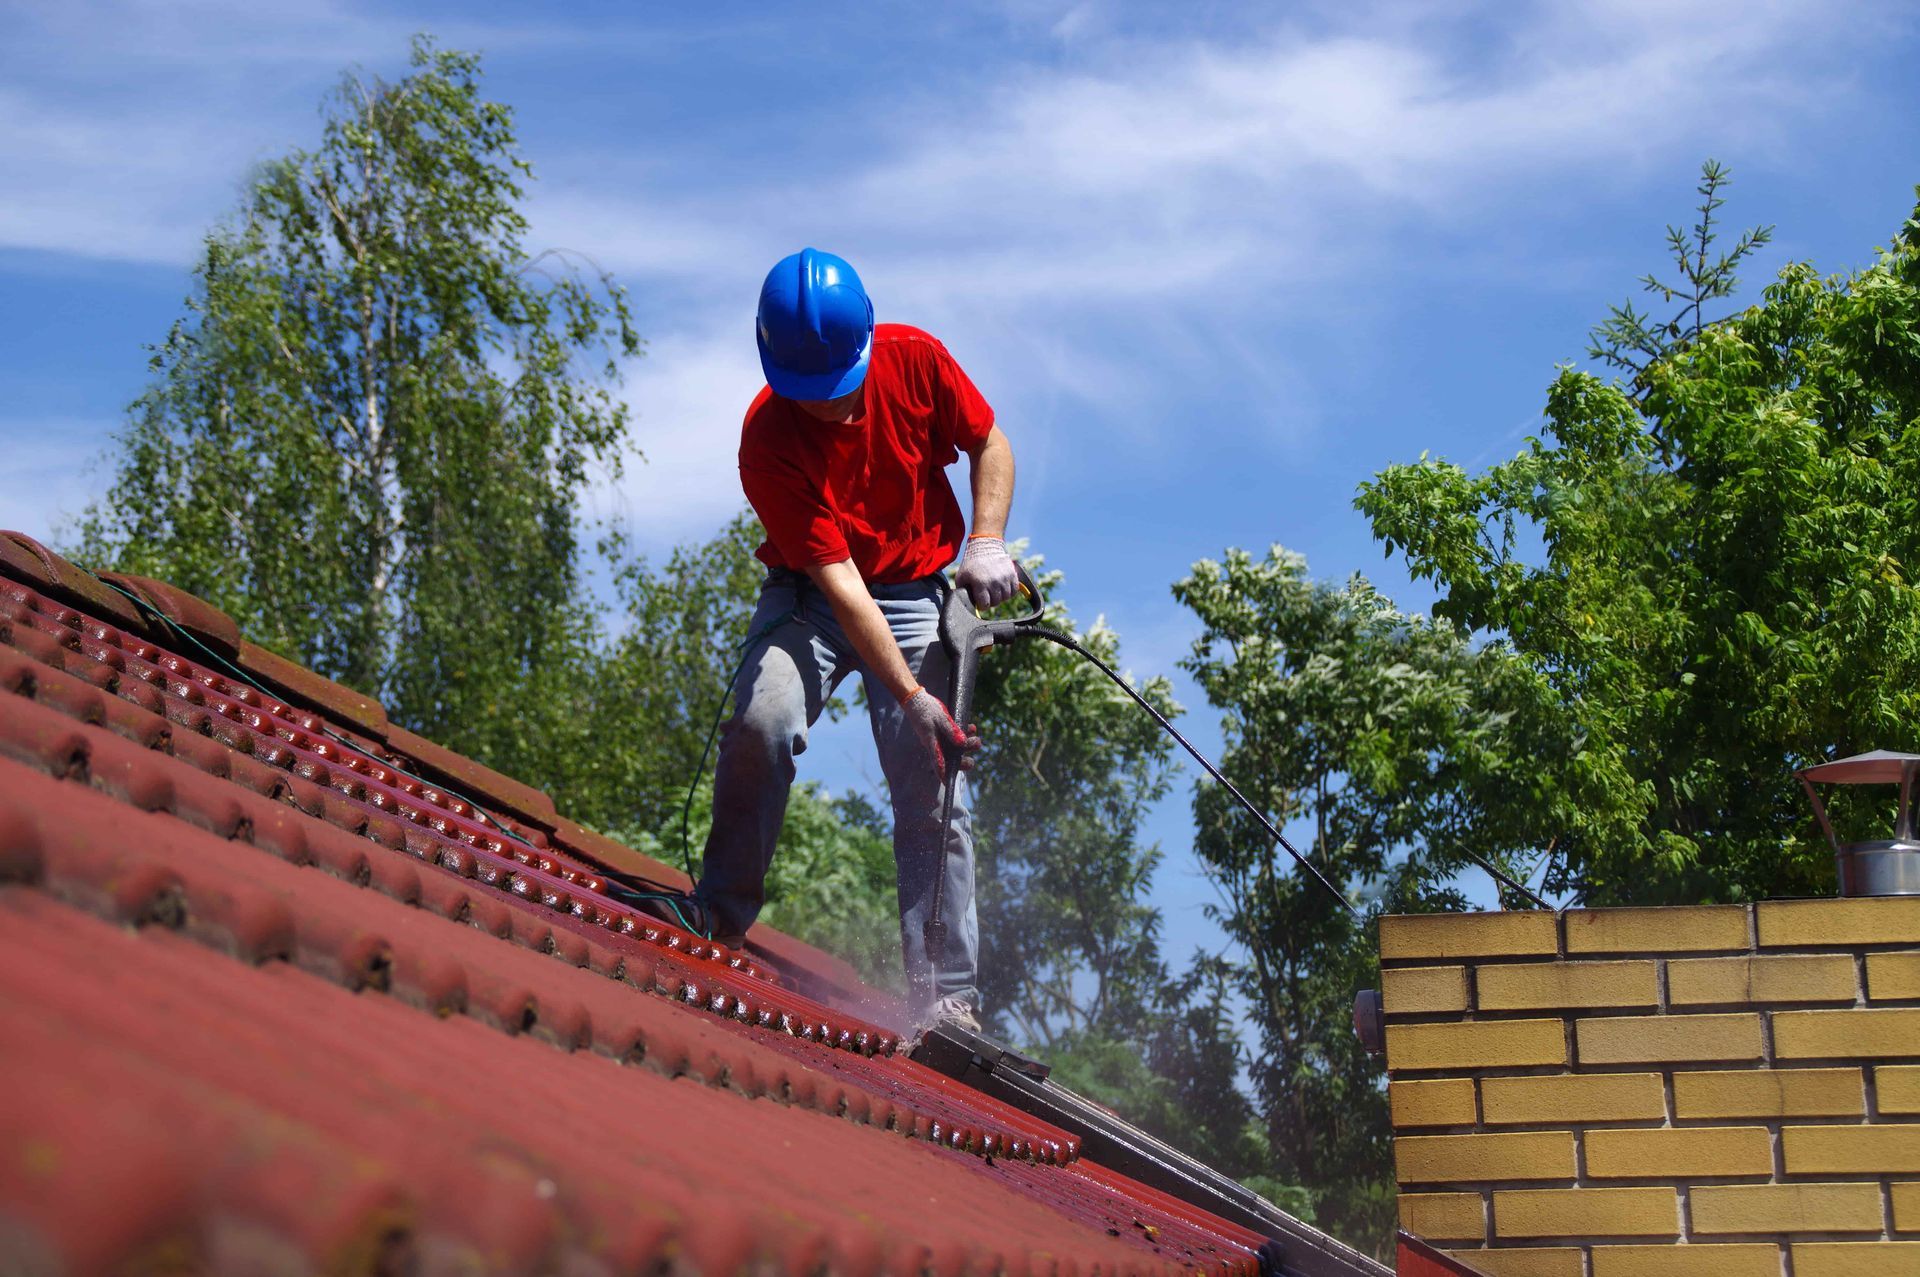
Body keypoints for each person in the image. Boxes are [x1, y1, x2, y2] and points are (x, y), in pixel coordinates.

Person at [690, 247, 1017, 1030]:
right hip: (816, 596)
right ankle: (720, 916)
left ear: (867, 344)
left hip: (916, 587)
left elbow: (990, 443)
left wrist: (986, 541)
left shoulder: (915, 359)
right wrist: (910, 696)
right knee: (763, 720)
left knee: (933, 779)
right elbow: (842, 586)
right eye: (812, 396)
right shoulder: (767, 441)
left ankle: (947, 994)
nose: (831, 408)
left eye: (841, 390)